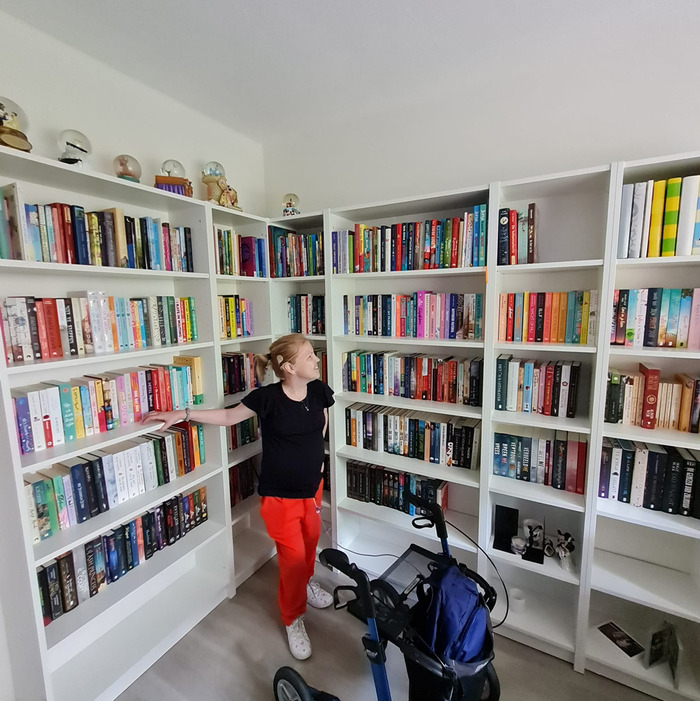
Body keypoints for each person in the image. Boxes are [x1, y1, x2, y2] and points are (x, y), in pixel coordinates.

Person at [142, 333, 334, 660]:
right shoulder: (267, 398)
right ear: (289, 367)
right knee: (291, 561)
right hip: (280, 498)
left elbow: (322, 423)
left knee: (309, 546)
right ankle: (293, 618)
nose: (316, 359)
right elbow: (229, 417)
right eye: (309, 356)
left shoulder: (318, 390)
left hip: (312, 490)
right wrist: (183, 414)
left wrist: (315, 459)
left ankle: (306, 583)